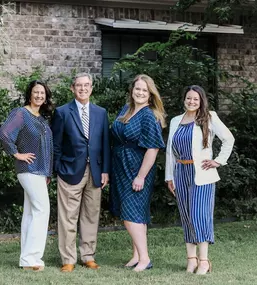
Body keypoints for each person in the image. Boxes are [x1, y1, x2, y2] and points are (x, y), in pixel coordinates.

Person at [165, 85, 235, 274]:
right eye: (189, 98)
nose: (192, 102)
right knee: (187, 216)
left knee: (199, 216)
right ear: (184, 99)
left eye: (196, 99)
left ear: (201, 100)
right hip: (180, 173)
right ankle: (191, 260)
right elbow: (170, 151)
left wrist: (218, 161)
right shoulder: (175, 121)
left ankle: (204, 261)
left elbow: (229, 139)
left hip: (202, 175)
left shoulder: (209, 117)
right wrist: (169, 176)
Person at [51, 72, 110, 273]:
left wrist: (105, 170)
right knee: (68, 216)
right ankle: (68, 258)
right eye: (79, 85)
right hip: (69, 171)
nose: (83, 89)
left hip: (95, 171)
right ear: (72, 88)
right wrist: (58, 168)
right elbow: (56, 144)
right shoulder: (62, 112)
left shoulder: (101, 113)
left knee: (91, 215)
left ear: (92, 88)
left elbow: (105, 144)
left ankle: (88, 256)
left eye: (86, 85)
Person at [110, 74, 166, 272]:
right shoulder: (127, 109)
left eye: (144, 90)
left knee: (130, 213)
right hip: (120, 166)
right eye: (137, 89)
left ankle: (145, 258)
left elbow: (153, 149)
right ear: (132, 91)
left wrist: (141, 176)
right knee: (136, 213)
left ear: (150, 95)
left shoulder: (149, 115)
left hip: (137, 168)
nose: (140, 93)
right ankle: (136, 255)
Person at [0, 80, 53, 271]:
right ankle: (32, 258)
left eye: (42, 93)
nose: (39, 96)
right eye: (36, 92)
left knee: (31, 213)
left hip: (39, 172)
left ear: (46, 97)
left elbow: (45, 147)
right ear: (29, 94)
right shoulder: (21, 113)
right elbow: (4, 133)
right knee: (42, 211)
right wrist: (16, 153)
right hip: (29, 169)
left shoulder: (41, 118)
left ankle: (26, 259)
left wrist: (47, 172)